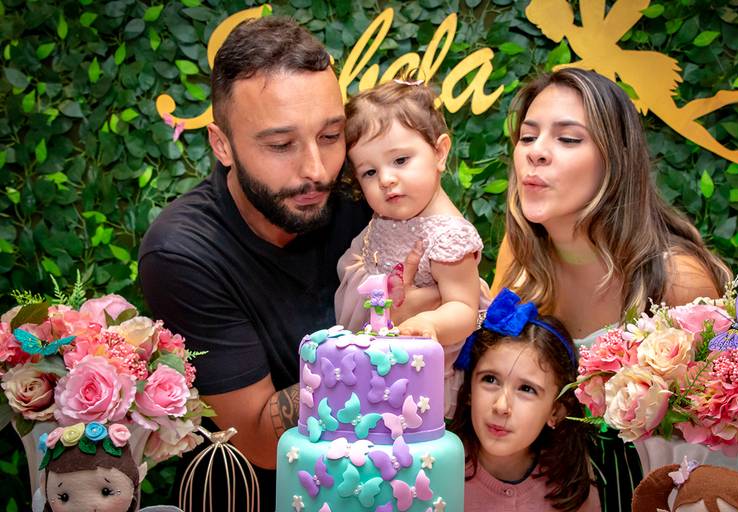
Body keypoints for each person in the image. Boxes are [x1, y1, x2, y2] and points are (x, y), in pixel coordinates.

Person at [138, 16, 379, 511]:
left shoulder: (366, 189)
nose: (315, 169)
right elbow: (259, 440)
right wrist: (393, 347)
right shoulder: (184, 251)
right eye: (280, 145)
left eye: (331, 135)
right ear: (222, 145)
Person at [491, 68, 732, 510]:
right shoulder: (521, 266)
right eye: (527, 137)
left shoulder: (676, 279)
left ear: (615, 161)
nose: (536, 153)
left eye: (568, 139)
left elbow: (723, 449)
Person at [335, 77, 490, 417]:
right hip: (376, 345)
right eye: (369, 172)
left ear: (440, 152)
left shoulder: (447, 235)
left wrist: (430, 324)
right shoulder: (390, 215)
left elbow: (464, 309)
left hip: (419, 364)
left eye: (401, 160)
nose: (386, 179)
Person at [450, 288, 600, 512]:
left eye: (526, 389)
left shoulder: (572, 491)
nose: (501, 406)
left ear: (556, 411)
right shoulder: (438, 475)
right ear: (469, 389)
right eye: (490, 379)